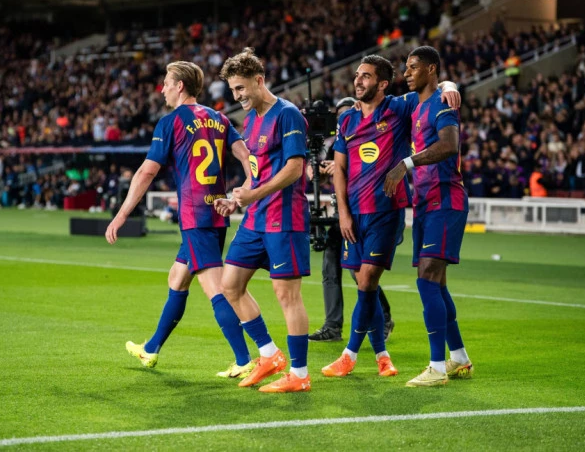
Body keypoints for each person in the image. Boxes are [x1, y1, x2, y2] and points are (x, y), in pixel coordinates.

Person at [105, 61, 256, 380]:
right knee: (177, 278)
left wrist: (121, 215)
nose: (162, 89)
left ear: (180, 86)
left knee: (216, 288)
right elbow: (245, 155)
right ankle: (151, 348)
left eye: (166, 83)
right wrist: (249, 185)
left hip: (195, 215)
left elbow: (146, 172)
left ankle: (245, 359)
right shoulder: (220, 118)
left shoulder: (171, 122)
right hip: (217, 211)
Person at [321, 55, 460, 379]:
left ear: (382, 84)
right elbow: (339, 168)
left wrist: (450, 85)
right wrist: (343, 213)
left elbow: (432, 89)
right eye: (357, 75)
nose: (358, 81)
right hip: (354, 213)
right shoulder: (347, 120)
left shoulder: (398, 107)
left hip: (386, 210)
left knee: (367, 280)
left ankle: (349, 355)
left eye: (366, 76)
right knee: (362, 283)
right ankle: (382, 356)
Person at [213, 48, 312, 393]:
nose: (236, 96)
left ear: (259, 80)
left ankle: (299, 375)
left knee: (287, 295)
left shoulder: (288, 115)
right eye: (232, 90)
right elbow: (257, 172)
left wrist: (254, 194)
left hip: (284, 217)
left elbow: (295, 168)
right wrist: (238, 197)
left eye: (240, 88)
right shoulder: (252, 119)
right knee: (230, 285)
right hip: (255, 218)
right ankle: (269, 354)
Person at [384, 46, 472, 387]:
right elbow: (380, 102)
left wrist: (405, 163)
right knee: (437, 283)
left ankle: (437, 367)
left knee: (427, 279)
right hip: (424, 203)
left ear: (431, 69)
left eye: (413, 67)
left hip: (445, 200)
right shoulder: (412, 103)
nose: (406, 73)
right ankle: (459, 358)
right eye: (405, 67)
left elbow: (449, 145)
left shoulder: (442, 104)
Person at [308, 96, 396, 343]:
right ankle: (332, 326)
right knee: (330, 269)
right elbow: (323, 173)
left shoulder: (368, 136)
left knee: (360, 273)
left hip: (363, 212)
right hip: (341, 213)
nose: (343, 120)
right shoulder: (336, 142)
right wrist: (318, 170)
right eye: (339, 116)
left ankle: (384, 318)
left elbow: (367, 171)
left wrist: (341, 170)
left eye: (347, 113)